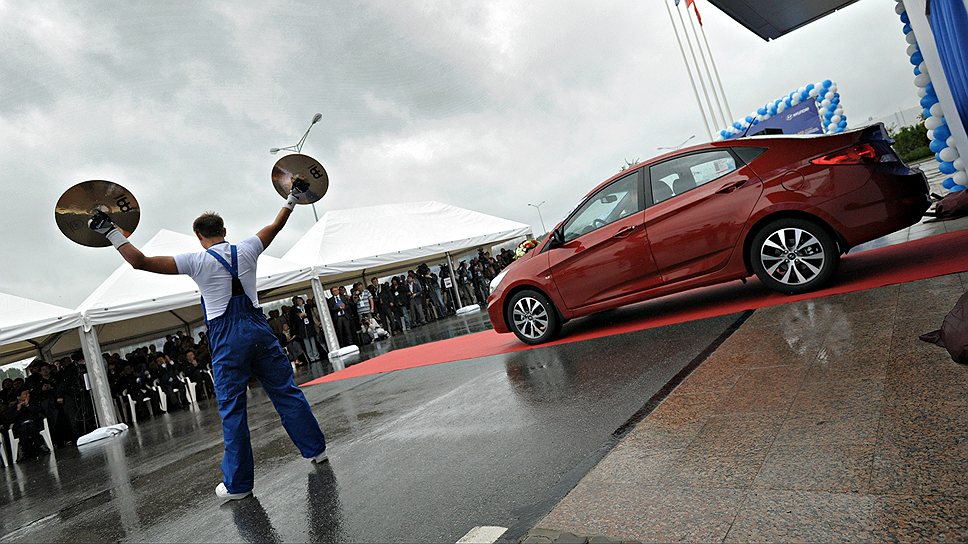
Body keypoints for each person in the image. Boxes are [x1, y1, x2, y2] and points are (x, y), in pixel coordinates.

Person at [87, 181, 328, 501]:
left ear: (199, 237)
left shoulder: (196, 261)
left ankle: (239, 485)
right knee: (287, 393)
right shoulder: (248, 248)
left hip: (227, 338)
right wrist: (292, 198)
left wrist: (111, 232)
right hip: (259, 329)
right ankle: (316, 452)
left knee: (233, 411)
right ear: (225, 230)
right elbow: (276, 224)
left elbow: (140, 261)